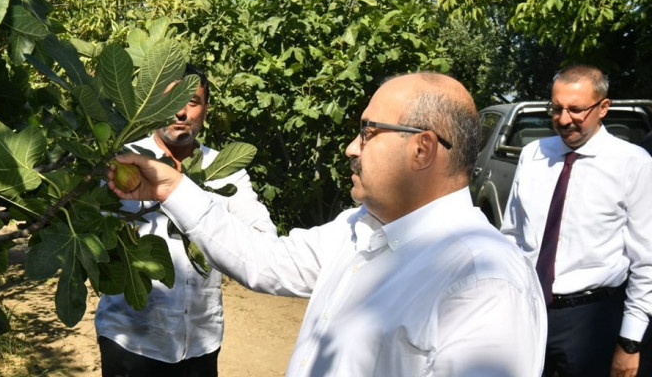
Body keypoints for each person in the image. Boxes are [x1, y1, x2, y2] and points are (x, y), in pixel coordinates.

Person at [108, 72, 547, 376]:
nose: (350, 148)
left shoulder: (483, 281)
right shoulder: (359, 228)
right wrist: (171, 189)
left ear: (422, 149)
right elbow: (266, 260)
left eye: (368, 132)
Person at [94, 64, 277, 377]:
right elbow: (94, 234)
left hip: (201, 339)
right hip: (131, 337)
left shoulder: (225, 169)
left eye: (192, 101)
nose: (180, 112)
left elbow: (263, 238)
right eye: (171, 100)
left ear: (205, 110)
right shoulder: (124, 160)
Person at [500, 64, 652, 377]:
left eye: (576, 109)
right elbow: (511, 237)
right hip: (527, 313)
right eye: (556, 108)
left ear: (603, 108)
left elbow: (646, 261)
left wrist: (630, 341)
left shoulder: (632, 164)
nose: (564, 119)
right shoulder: (533, 155)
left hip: (590, 322)